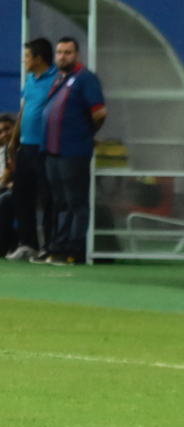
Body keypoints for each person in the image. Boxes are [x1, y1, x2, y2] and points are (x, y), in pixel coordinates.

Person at [32, 37, 106, 266]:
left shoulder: (86, 78)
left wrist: (85, 134)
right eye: (59, 52)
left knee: (76, 203)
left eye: (68, 52)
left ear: (77, 55)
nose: (62, 56)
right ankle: (58, 248)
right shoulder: (61, 78)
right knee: (61, 203)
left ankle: (74, 251)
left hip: (73, 152)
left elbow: (99, 113)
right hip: (53, 152)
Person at [6, 38, 57, 262]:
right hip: (25, 148)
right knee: (21, 195)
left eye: (27, 56)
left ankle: (50, 246)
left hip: (46, 149)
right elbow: (24, 109)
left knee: (48, 199)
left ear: (38, 58)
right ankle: (28, 244)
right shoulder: (30, 79)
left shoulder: (57, 79)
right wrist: (13, 141)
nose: (24, 60)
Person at [0, 113, 16, 255]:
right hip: (4, 189)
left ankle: (3, 246)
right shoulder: (5, 151)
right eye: (0, 132)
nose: (4, 134)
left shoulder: (23, 149)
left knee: (4, 201)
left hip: (22, 191)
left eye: (7, 129)